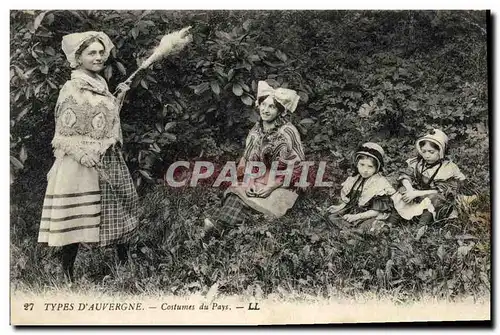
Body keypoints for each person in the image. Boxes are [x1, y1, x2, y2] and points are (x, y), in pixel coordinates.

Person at [38, 31, 138, 282]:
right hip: (80, 162)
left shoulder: (101, 86)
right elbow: (62, 133)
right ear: (78, 58)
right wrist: (82, 155)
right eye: (91, 53)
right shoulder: (71, 89)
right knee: (76, 222)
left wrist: (119, 98)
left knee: (119, 206)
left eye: (101, 52)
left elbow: (103, 122)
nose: (99, 57)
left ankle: (123, 266)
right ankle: (67, 274)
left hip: (106, 156)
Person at [203, 80, 305, 237]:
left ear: (280, 111)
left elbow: (297, 168)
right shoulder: (256, 131)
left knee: (259, 205)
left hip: (283, 182)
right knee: (239, 193)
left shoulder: (288, 132)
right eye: (263, 105)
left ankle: (220, 227)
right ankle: (221, 226)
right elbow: (249, 161)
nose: (265, 110)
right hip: (259, 176)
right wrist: (250, 181)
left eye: (271, 107)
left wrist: (271, 186)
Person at [391, 128, 466, 225]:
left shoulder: (447, 168)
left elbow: (441, 191)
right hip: (417, 194)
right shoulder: (418, 163)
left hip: (434, 198)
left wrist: (416, 193)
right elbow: (406, 174)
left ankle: (422, 226)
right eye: (424, 151)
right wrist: (410, 190)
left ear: (441, 151)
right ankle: (391, 223)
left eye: (431, 152)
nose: (427, 155)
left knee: (435, 198)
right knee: (402, 189)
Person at [326, 142, 396, 234]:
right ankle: (351, 230)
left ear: (377, 168)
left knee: (367, 226)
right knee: (332, 217)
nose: (365, 170)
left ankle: (356, 231)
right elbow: (351, 201)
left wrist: (356, 216)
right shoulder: (355, 180)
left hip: (371, 214)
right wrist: (339, 207)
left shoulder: (380, 184)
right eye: (362, 165)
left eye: (370, 166)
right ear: (357, 164)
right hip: (355, 211)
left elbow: (376, 211)